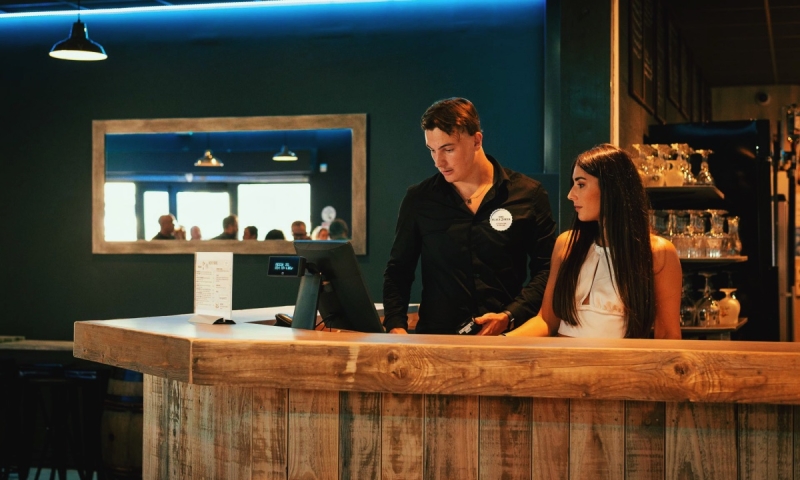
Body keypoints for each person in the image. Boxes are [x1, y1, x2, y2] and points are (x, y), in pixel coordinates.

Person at [383, 97, 557, 335]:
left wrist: (510, 315)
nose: (438, 161)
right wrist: (395, 326)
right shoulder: (419, 199)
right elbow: (398, 271)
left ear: (476, 140)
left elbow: (547, 269)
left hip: (507, 338)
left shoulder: (528, 194)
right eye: (432, 150)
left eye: (448, 149)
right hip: (437, 339)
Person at [507, 144, 682, 339]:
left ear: (612, 188)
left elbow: (668, 335)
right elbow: (546, 321)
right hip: (561, 357)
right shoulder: (566, 244)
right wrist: (501, 342)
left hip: (620, 359)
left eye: (581, 184)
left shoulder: (659, 252)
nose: (570, 195)